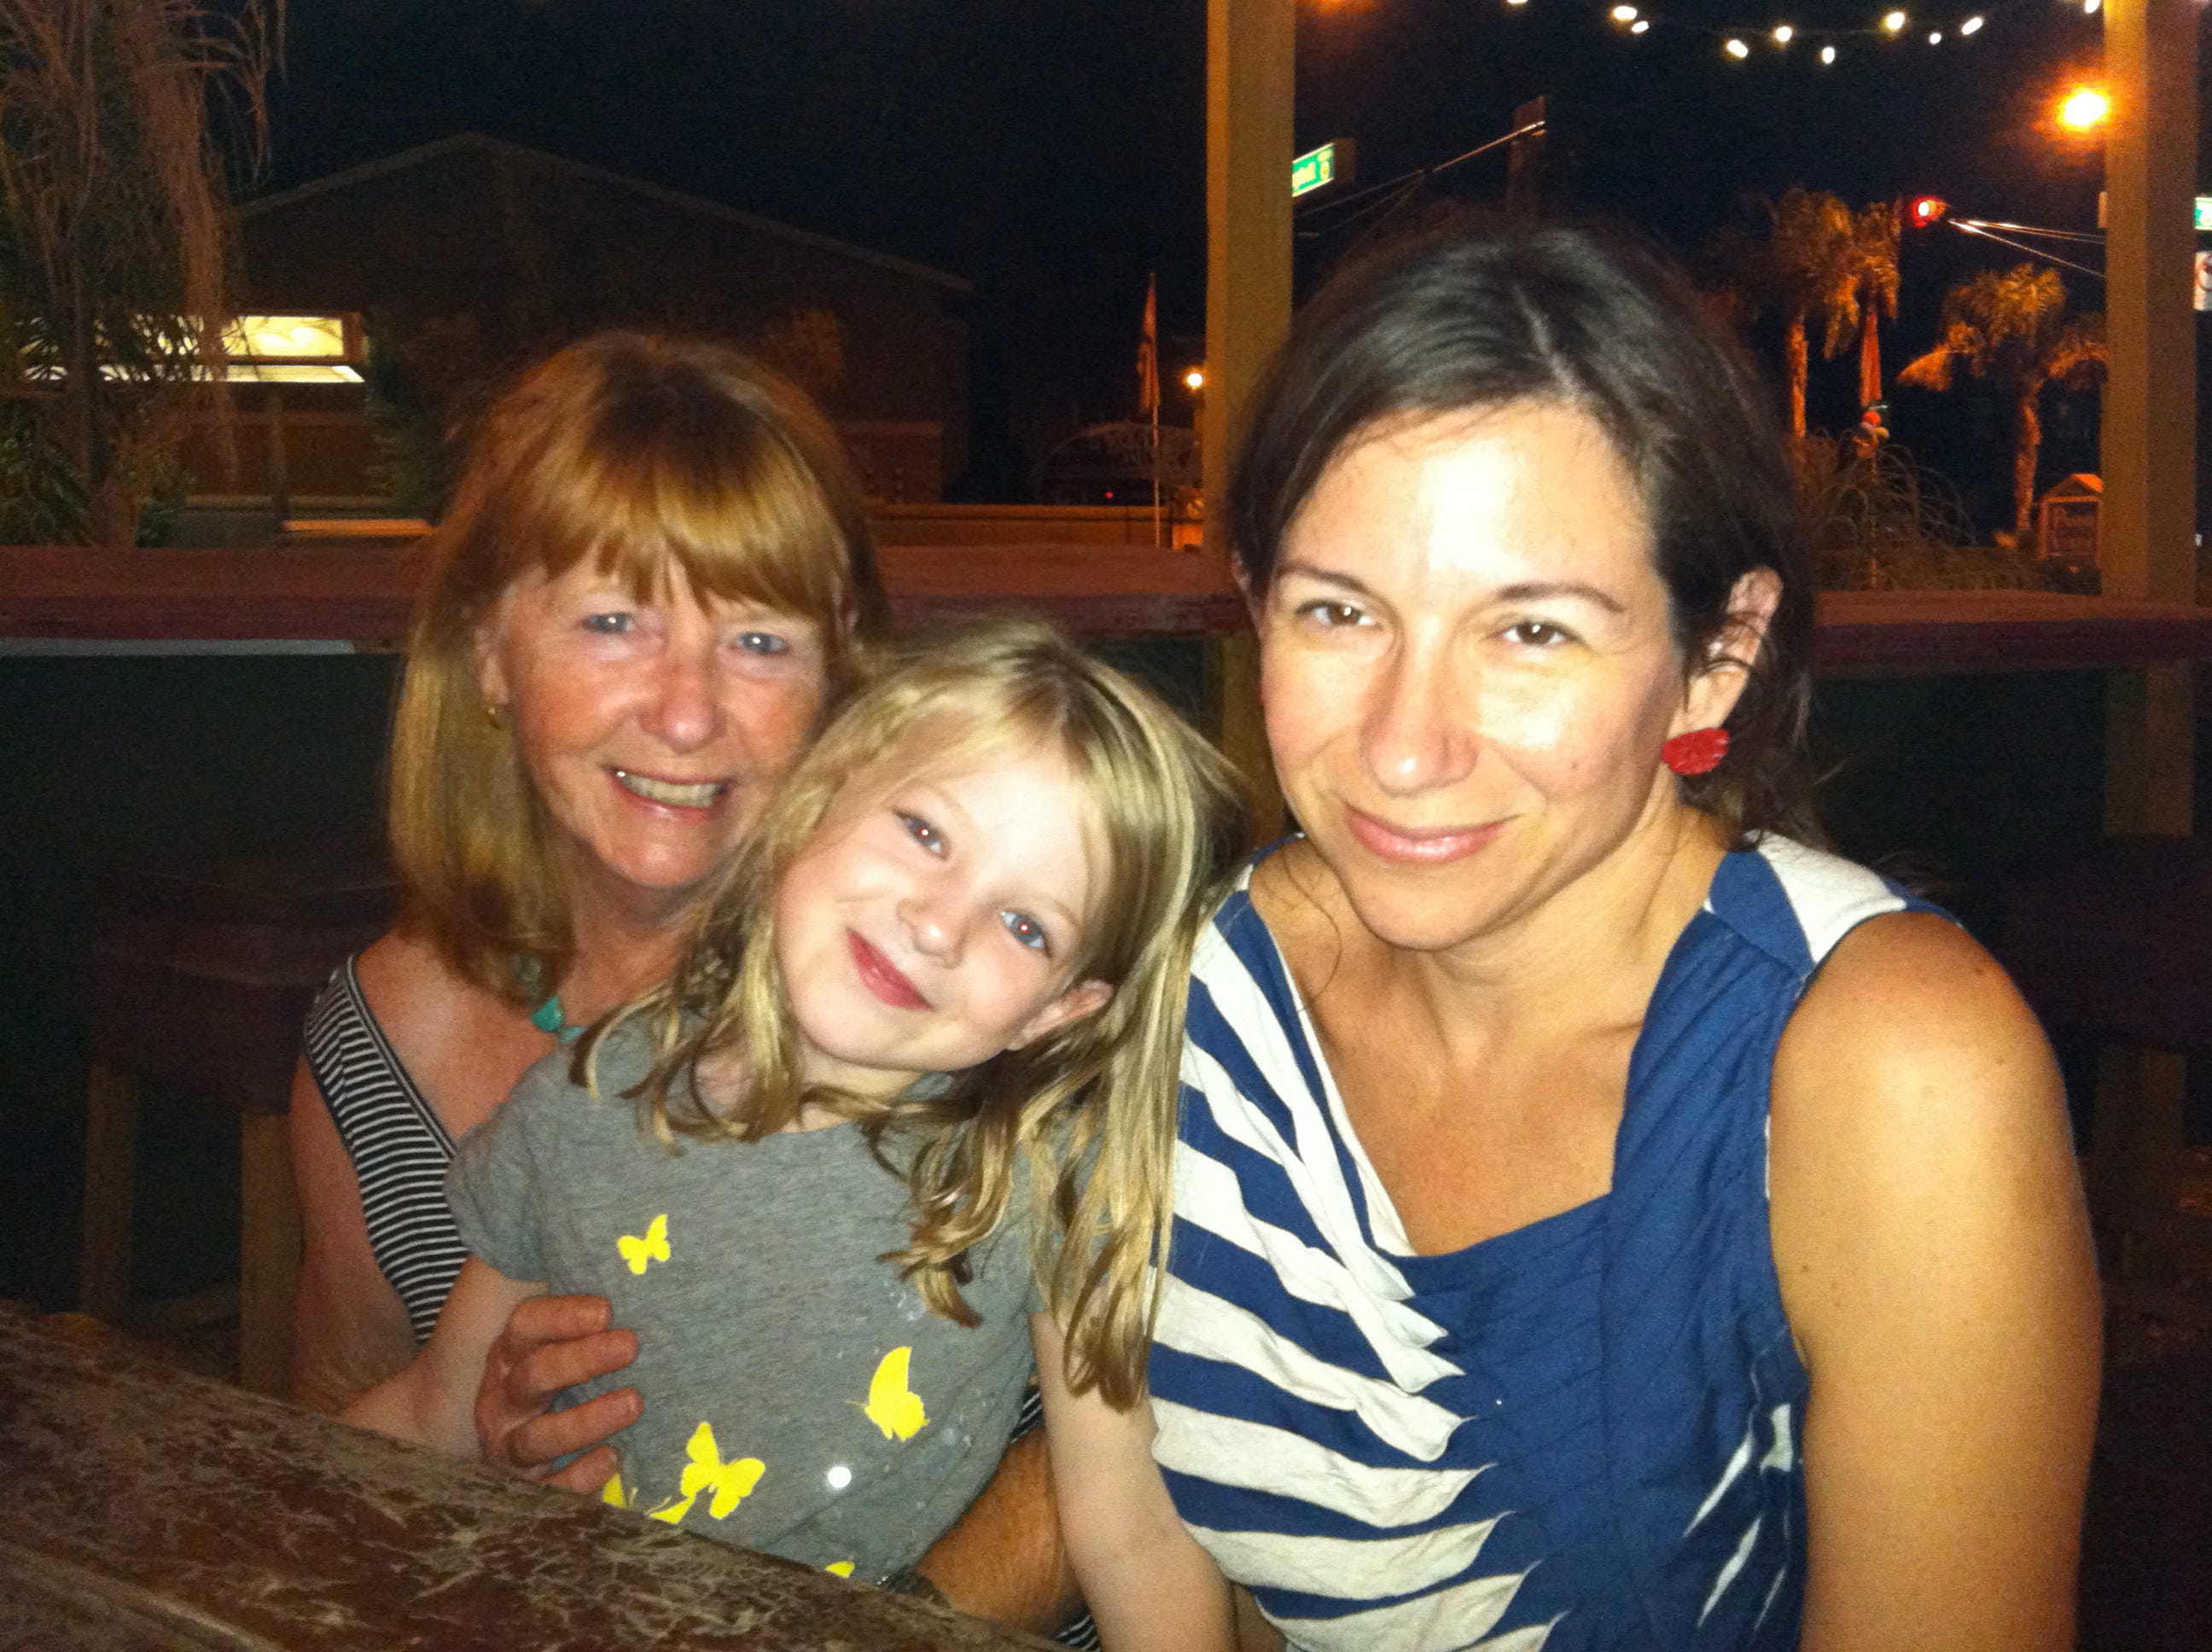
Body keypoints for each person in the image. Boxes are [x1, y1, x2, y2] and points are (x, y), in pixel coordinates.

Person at [1042, 217, 2101, 1651]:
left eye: (1530, 632)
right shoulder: (1200, 983)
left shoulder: (1887, 1068)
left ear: (1710, 661)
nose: (1404, 748)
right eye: (1340, 612)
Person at [286, 333, 1071, 1626]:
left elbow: (1150, 1435)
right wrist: (488, 1462)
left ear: (840, 686)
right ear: (488, 650)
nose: (689, 713)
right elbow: (352, 1445)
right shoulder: (374, 1052)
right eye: (611, 622)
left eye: (760, 641)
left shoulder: (975, 974)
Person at [342, 618, 1241, 1592]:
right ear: (817, 802)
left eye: (1025, 925)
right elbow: (434, 1413)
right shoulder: (580, 1105)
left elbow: (1131, 1529)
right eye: (926, 831)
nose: (939, 925)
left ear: (1058, 1011)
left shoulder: (1049, 1176)